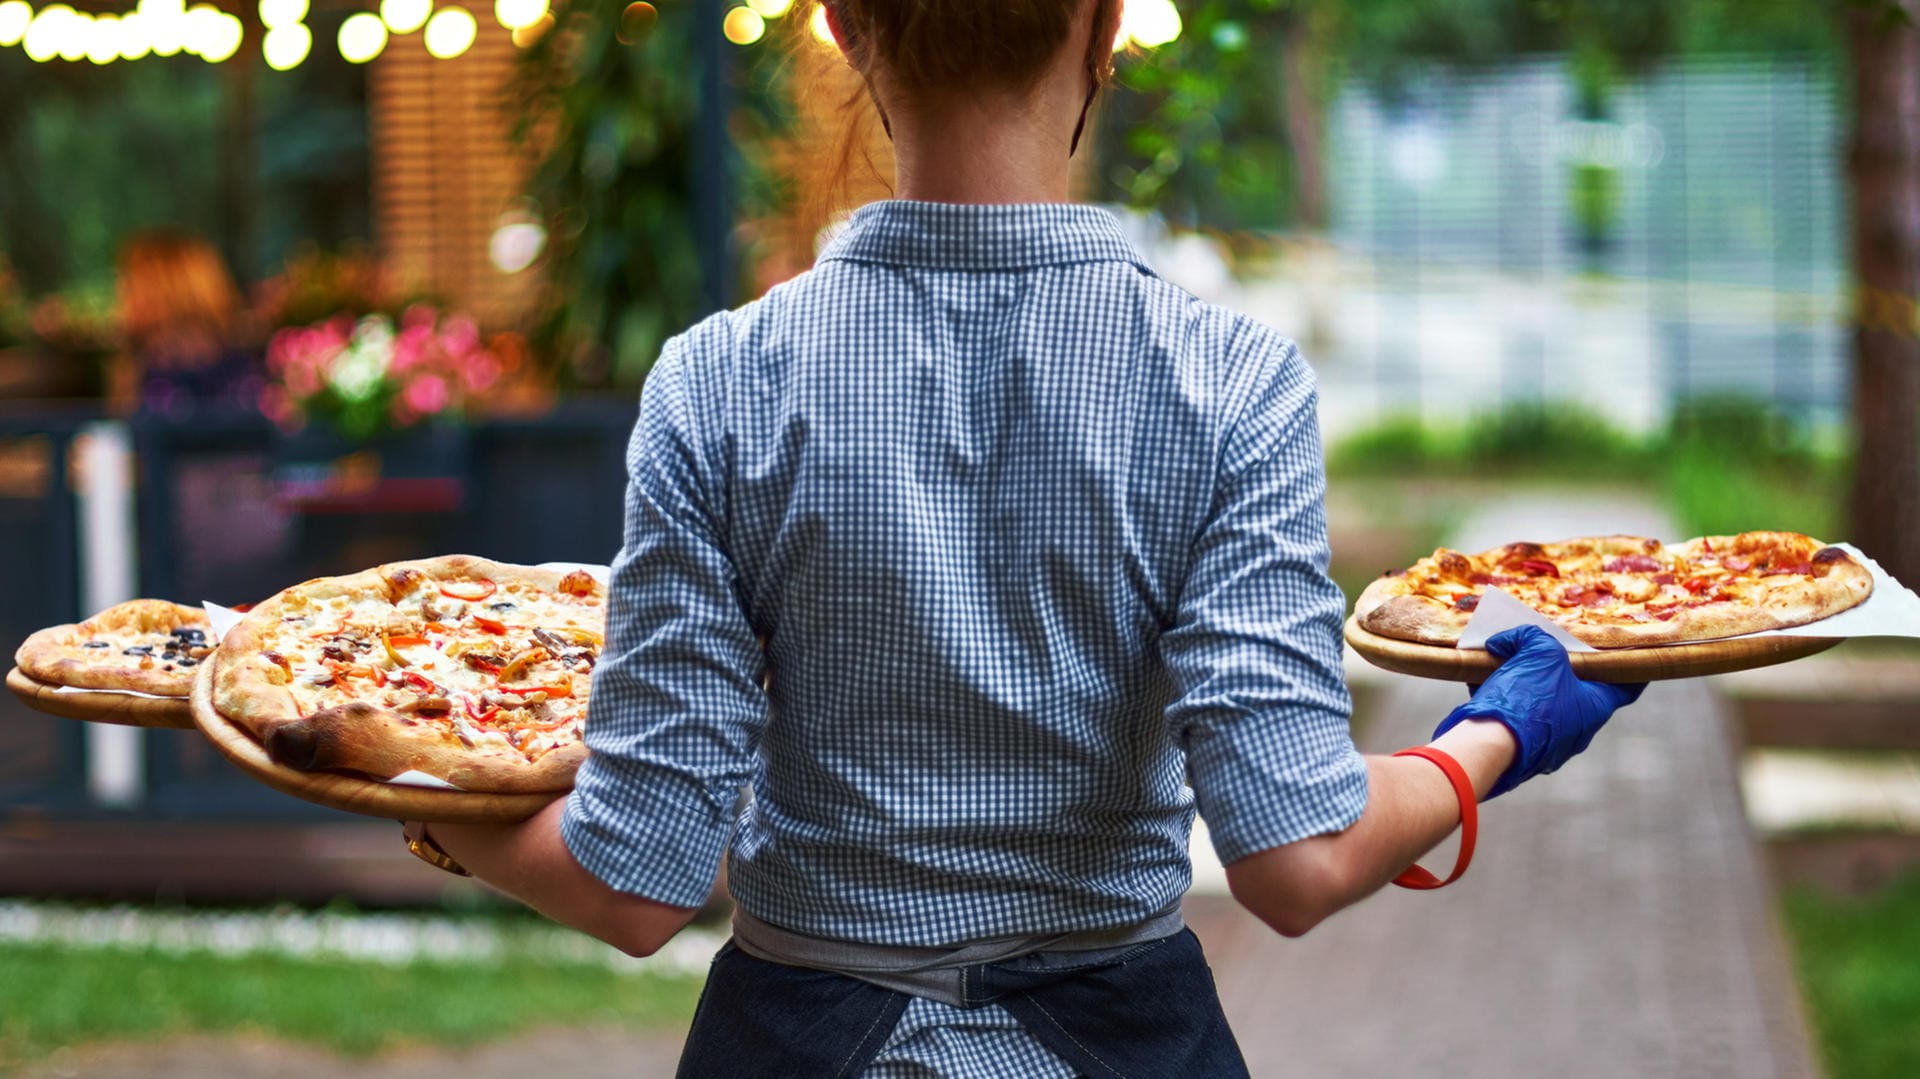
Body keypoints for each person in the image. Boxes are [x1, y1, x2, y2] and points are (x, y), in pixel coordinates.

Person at [407, 2, 1644, 1074]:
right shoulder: (1230, 383)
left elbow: (634, 882)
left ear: (841, 21)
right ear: (1107, 25)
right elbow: (1300, 857)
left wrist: (389, 779)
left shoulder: (716, 385)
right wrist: (1500, 732)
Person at [112, 229, 262, 416]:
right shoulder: (137, 365)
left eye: (132, 283)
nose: (124, 295)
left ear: (168, 290)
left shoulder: (235, 377)